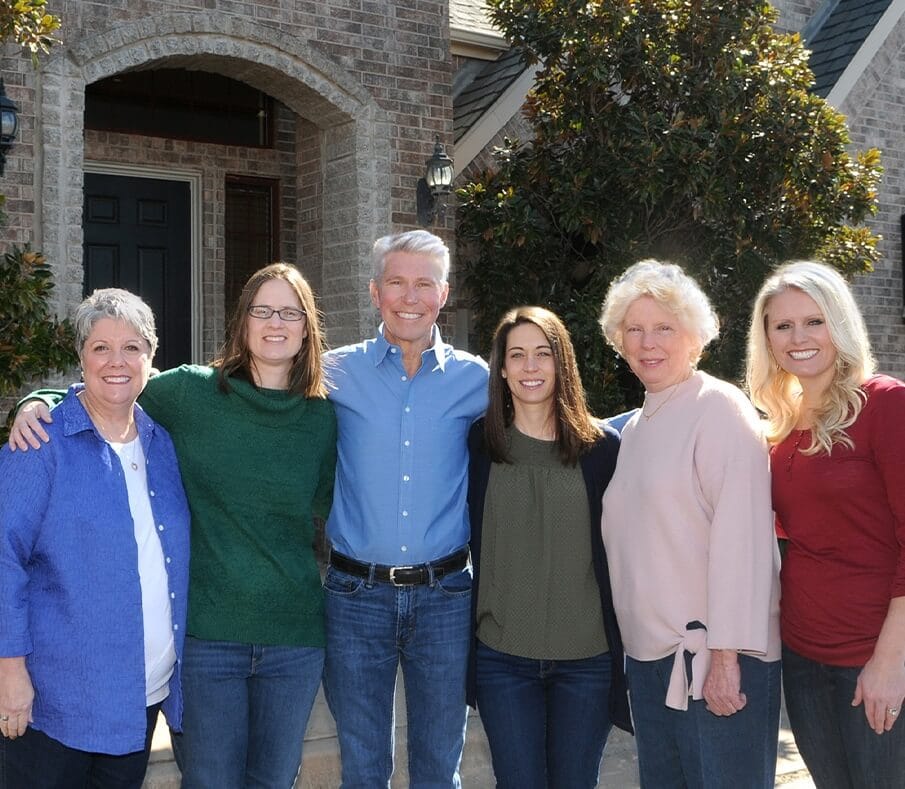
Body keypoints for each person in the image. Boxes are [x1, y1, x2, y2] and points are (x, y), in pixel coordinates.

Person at [7, 263, 337, 788]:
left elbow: (336, 511)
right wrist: (36, 402)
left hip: (292, 637)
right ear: (243, 321)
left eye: (290, 312)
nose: (276, 322)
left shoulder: (322, 420)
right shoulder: (191, 394)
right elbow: (106, 392)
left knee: (275, 781)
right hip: (209, 639)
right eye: (263, 310)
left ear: (307, 326)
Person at [598, 259, 782, 787]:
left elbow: (743, 543)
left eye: (664, 328)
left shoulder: (719, 408)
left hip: (716, 661)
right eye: (634, 329)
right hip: (652, 663)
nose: (648, 342)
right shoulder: (635, 427)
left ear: (695, 337)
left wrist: (725, 657)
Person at [0, 289, 190, 788]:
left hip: (140, 696)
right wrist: (8, 671)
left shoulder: (162, 443)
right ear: (81, 356)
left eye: (132, 347)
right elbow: (4, 558)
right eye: (100, 347)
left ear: (151, 358)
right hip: (54, 703)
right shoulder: (41, 443)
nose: (116, 361)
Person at [323, 229, 488, 787]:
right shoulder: (332, 373)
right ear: (375, 292)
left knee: (439, 765)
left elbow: (560, 419)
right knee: (363, 766)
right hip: (354, 596)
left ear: (445, 294)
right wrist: (50, 398)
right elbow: (242, 387)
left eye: (424, 284)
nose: (410, 297)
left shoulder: (479, 380)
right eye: (397, 283)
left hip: (446, 597)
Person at [746, 260, 905, 788]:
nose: (799, 338)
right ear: (766, 339)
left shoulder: (886, 404)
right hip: (802, 655)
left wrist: (890, 663)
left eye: (814, 321)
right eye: (782, 325)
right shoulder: (780, 426)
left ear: (840, 323)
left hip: (871, 655)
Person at [465, 306, 632, 788]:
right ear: (500, 367)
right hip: (502, 658)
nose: (531, 367)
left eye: (543, 354)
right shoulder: (481, 442)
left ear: (563, 364)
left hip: (587, 661)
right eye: (517, 355)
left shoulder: (603, 448)